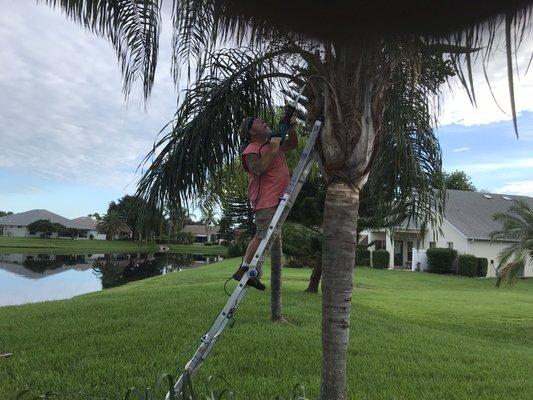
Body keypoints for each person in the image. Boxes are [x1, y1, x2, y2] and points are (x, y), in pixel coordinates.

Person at [232, 115, 298, 290]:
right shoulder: (251, 149)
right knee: (263, 235)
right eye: (259, 121)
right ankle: (245, 269)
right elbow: (258, 168)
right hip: (265, 199)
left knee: (264, 235)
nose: (264, 121)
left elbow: (292, 145)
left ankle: (248, 269)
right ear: (252, 130)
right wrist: (274, 150)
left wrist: (291, 128)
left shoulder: (270, 143)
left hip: (279, 198)